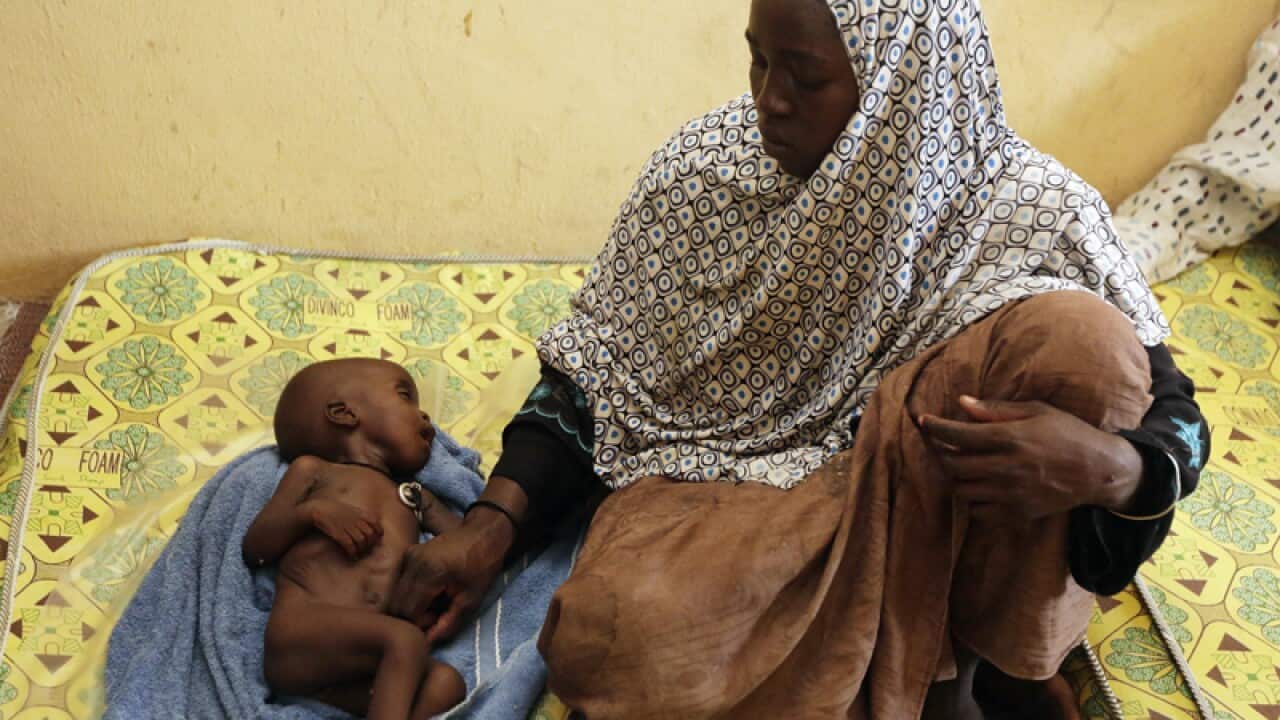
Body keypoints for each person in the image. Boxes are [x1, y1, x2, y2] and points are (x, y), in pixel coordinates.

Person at [389, 1, 1210, 717]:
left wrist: (1113, 470)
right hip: (746, 502)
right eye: (757, 58)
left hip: (936, 496)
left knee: (1084, 347)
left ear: (901, 84)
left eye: (806, 77)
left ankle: (989, 673)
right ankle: (905, 680)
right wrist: (494, 525)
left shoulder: (1027, 207)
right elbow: (597, 368)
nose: (769, 101)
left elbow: (1170, 413)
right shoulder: (707, 173)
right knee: (613, 634)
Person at [243, 359, 466, 720]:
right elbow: (256, 548)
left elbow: (464, 547)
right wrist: (313, 512)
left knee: (446, 683)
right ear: (344, 413)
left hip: (361, 657)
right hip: (301, 635)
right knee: (405, 641)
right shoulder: (314, 472)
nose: (425, 417)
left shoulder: (412, 495)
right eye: (405, 396)